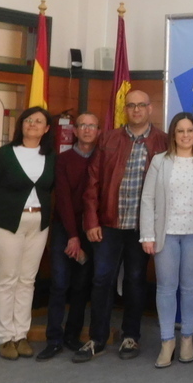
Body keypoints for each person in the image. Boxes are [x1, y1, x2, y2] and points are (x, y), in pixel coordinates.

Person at [77, 89, 168, 363]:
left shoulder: (162, 141)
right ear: (125, 110)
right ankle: (97, 338)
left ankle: (131, 336)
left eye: (141, 105)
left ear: (150, 109)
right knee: (101, 279)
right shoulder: (109, 138)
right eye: (131, 106)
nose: (136, 110)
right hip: (109, 224)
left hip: (144, 227)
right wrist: (91, 220)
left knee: (135, 281)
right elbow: (92, 183)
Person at [0, 106, 56, 360]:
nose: (32, 124)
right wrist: (3, 211)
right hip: (7, 224)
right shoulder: (4, 154)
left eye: (38, 121)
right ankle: (5, 337)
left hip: (38, 224)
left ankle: (21, 334)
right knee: (7, 279)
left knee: (27, 280)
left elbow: (52, 188)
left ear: (47, 129)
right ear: (21, 126)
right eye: (28, 120)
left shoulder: (51, 157)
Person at [140, 112, 193, 368]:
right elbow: (148, 199)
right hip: (165, 234)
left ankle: (187, 339)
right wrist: (147, 235)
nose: (185, 135)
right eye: (180, 131)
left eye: (189, 130)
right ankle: (167, 340)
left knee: (190, 287)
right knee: (166, 288)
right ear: (173, 134)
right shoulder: (160, 161)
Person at [36, 112, 100, 361]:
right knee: (59, 284)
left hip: (91, 230)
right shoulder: (62, 159)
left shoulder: (101, 159)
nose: (86, 129)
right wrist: (73, 236)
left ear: (98, 131)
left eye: (91, 126)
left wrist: (83, 234)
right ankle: (53, 339)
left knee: (81, 286)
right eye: (82, 125)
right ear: (74, 130)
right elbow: (61, 199)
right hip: (65, 229)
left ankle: (72, 335)